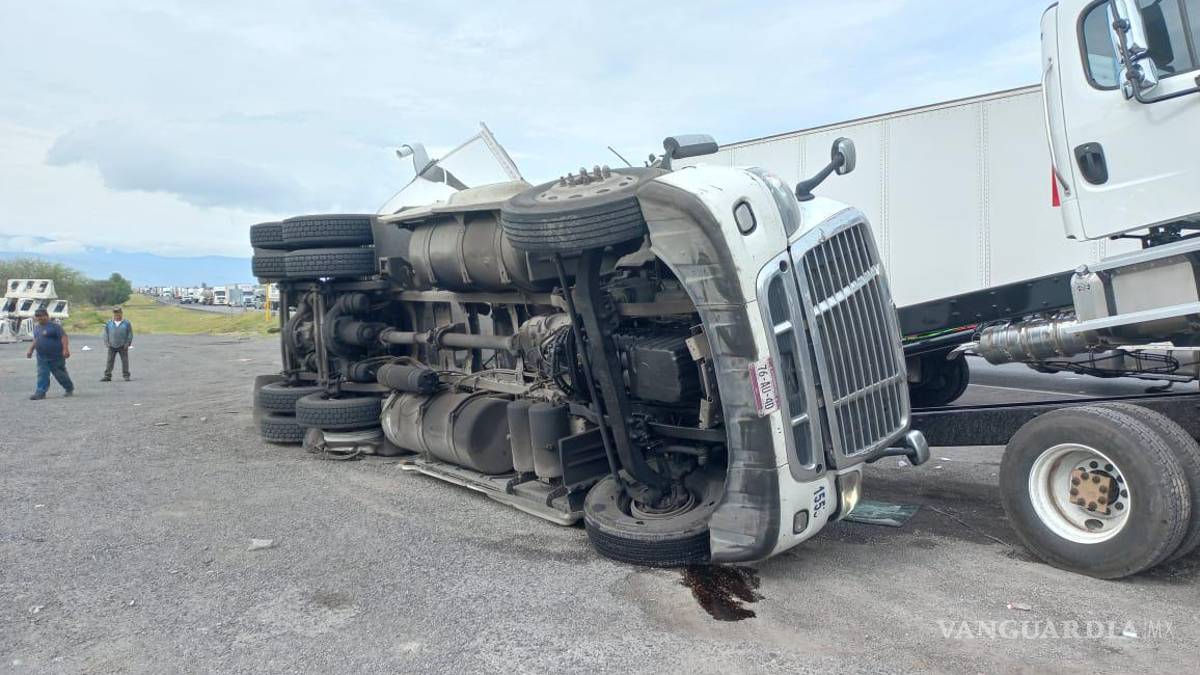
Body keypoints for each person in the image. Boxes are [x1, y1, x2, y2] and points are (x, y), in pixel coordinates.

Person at [26, 308, 74, 400]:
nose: (39, 318)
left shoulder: (55, 327)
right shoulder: (37, 327)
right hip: (42, 356)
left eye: (41, 316)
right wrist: (31, 350)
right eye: (37, 316)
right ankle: (40, 392)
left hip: (56, 356)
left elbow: (64, 337)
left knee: (60, 374)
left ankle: (69, 387)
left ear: (47, 316)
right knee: (42, 373)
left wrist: (65, 349)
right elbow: (36, 340)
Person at [102, 306, 133, 382]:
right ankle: (107, 376)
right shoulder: (109, 323)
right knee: (109, 361)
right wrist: (106, 342)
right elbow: (105, 333)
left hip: (123, 346)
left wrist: (128, 343)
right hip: (112, 345)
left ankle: (126, 376)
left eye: (118, 312)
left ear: (121, 313)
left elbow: (130, 334)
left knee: (125, 361)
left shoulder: (126, 323)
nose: (117, 314)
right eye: (115, 313)